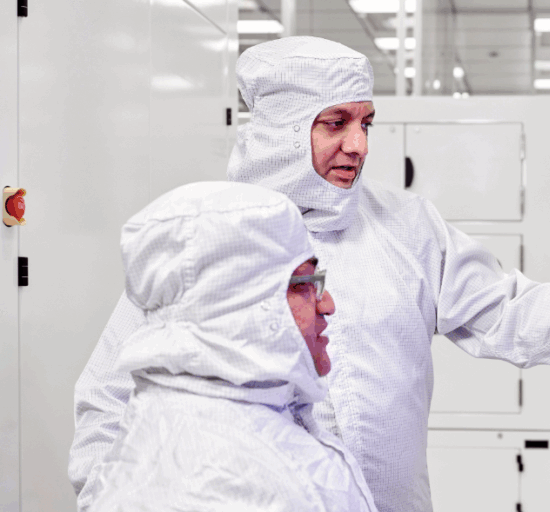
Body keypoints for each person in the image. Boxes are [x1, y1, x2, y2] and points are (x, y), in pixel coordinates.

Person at [69, 36, 550, 512]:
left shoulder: (405, 227)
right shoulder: (202, 237)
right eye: (334, 123)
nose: (357, 145)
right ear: (276, 130)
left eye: (365, 122)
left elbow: (514, 316)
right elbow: (109, 396)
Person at [78, 181, 377, 512]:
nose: (328, 304)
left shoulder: (193, 428)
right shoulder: (231, 479)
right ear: (236, 307)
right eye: (302, 285)